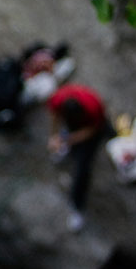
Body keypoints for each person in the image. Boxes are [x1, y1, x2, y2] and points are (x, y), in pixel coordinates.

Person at [46, 84, 113, 231]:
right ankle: (64, 149)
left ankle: (77, 207)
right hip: (74, 126)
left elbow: (92, 130)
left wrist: (68, 140)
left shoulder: (94, 108)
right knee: (66, 138)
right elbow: (55, 116)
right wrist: (54, 136)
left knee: (82, 168)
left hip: (94, 127)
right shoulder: (59, 98)